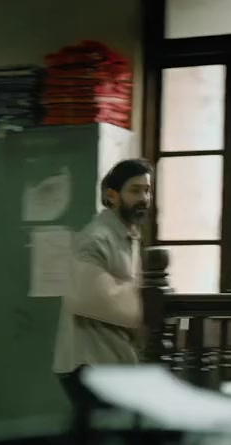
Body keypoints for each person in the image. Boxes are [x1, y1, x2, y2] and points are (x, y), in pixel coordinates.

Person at [53, 159, 153, 411]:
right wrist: (149, 303)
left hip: (110, 363)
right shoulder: (96, 237)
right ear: (112, 196)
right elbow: (88, 297)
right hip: (90, 363)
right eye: (135, 191)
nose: (143, 198)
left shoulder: (127, 235)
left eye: (147, 190)